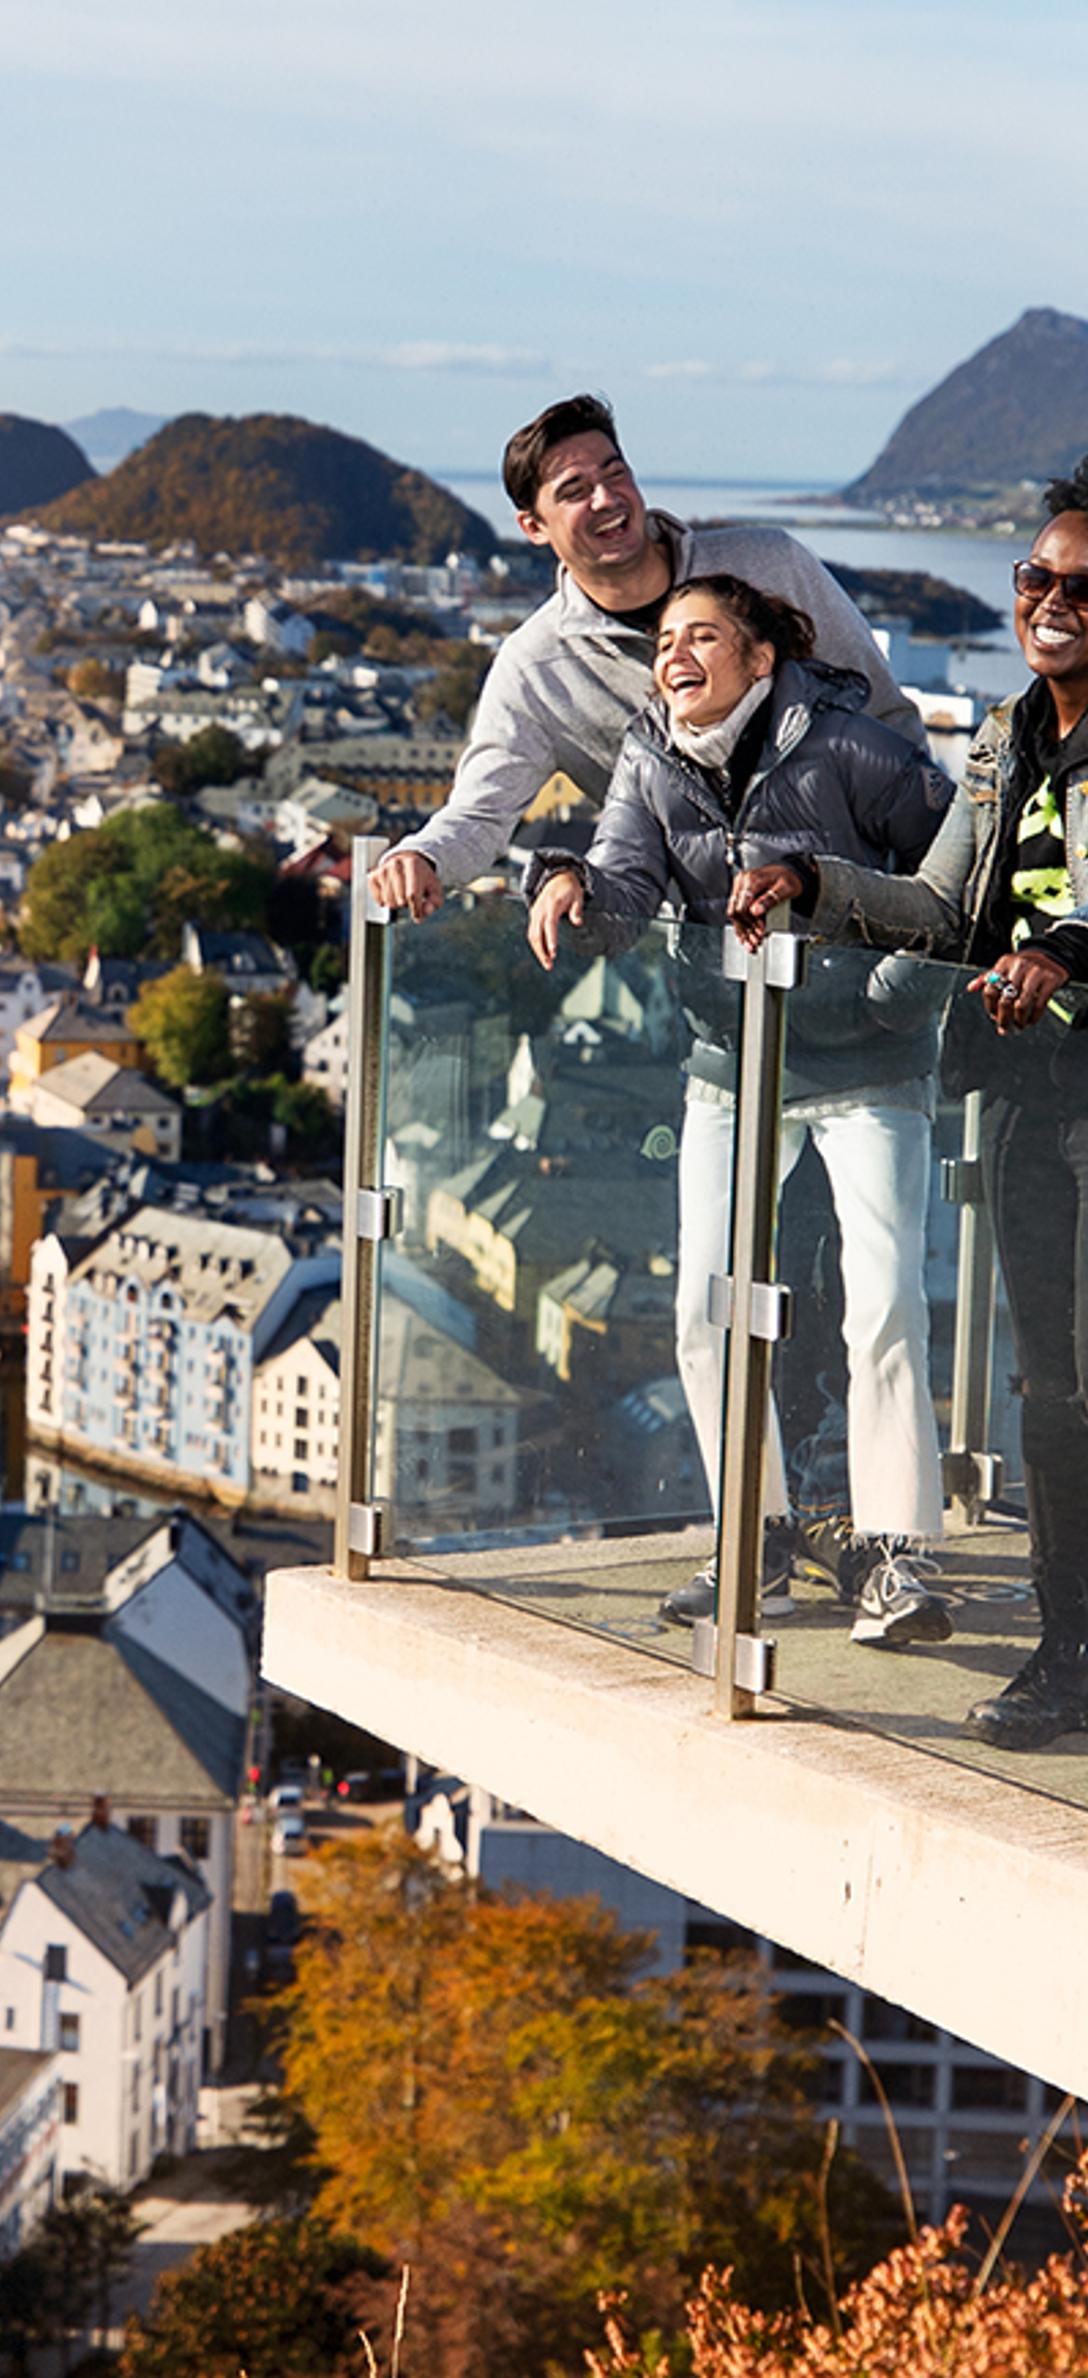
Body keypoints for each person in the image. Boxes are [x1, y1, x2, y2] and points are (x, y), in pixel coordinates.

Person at [526, 576, 956, 1645]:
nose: (673, 655)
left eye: (700, 636)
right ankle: (753, 1540)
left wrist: (891, 990)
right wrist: (568, 880)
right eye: (663, 639)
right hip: (733, 1057)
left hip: (866, 1059)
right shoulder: (649, 754)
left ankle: (897, 1556)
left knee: (885, 1302)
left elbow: (956, 876)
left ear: (758, 659)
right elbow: (626, 884)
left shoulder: (852, 747)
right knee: (705, 1308)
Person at [733, 467, 1088, 1746]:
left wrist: (1063, 952)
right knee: (1049, 1387)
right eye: (1033, 577)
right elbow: (941, 911)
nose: (1049, 602)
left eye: (1078, 587)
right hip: (1031, 1102)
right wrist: (806, 882)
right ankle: (1065, 1651)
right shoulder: (1000, 741)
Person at [368, 395, 925, 921]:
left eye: (615, 473)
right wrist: (423, 857)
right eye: (574, 490)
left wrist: (914, 905)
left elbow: (889, 722)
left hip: (862, 937)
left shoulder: (771, 565)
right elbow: (482, 812)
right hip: (710, 971)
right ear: (533, 528)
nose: (607, 499)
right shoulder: (535, 668)